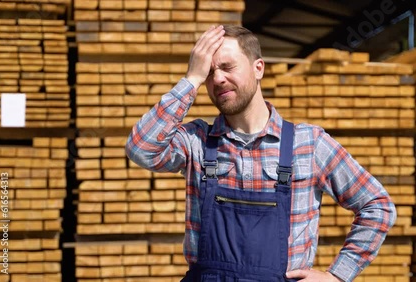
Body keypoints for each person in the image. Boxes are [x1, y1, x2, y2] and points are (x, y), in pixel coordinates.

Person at [126, 25, 397, 282]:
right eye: (209, 72)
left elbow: (377, 206)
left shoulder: (309, 144)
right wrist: (191, 79)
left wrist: (338, 275)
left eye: (227, 67)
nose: (217, 78)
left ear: (258, 69)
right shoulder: (196, 141)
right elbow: (141, 149)